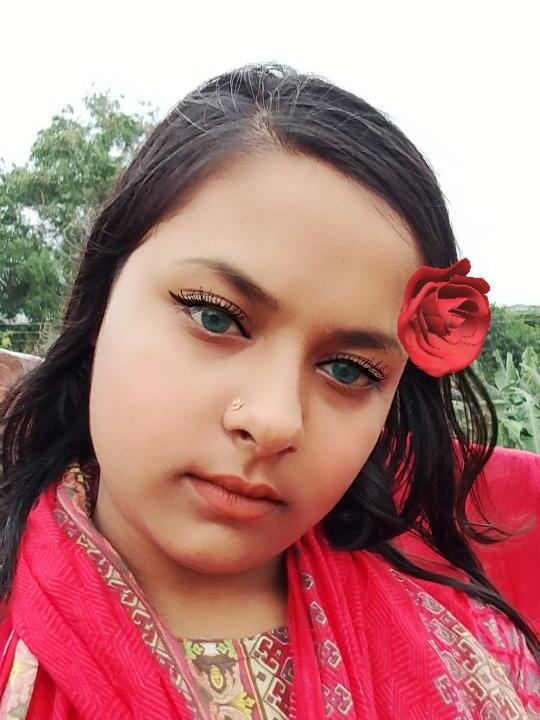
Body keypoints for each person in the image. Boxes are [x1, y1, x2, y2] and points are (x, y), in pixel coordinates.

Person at [0, 62, 538, 719]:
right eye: (215, 317)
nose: (274, 420)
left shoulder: (467, 664)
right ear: (102, 297)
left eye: (349, 371)